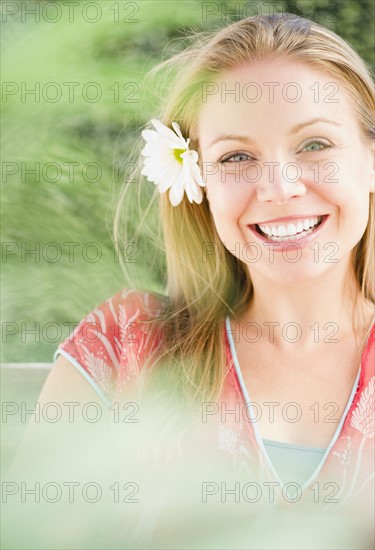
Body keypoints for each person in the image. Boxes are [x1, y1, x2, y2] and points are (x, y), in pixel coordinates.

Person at [7, 12, 374, 549]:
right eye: (237, 156)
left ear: (371, 159)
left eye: (314, 144)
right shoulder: (125, 345)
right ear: (196, 180)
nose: (278, 187)